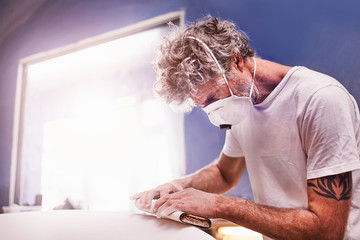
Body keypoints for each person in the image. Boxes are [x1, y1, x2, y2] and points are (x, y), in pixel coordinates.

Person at [131, 16, 360, 240]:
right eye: (204, 106)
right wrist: (178, 186)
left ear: (237, 61)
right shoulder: (242, 103)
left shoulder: (320, 100)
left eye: (213, 97)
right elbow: (224, 173)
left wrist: (221, 205)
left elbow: (327, 231)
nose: (214, 110)